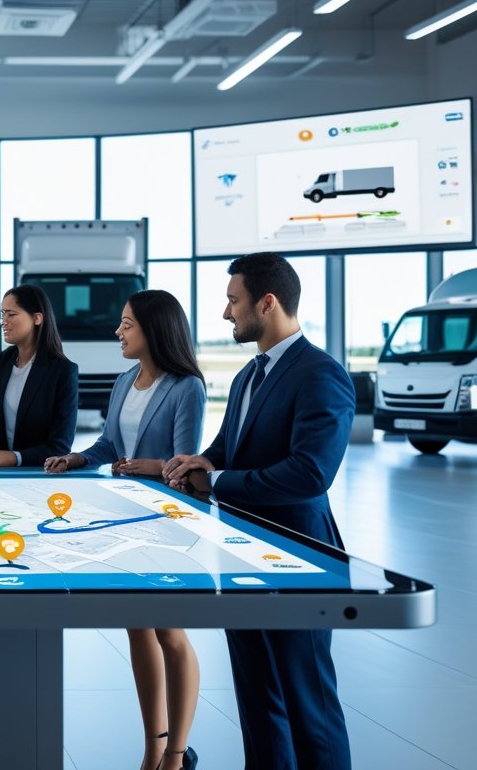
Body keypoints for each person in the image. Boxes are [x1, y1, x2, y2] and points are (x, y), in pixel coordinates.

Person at [164, 253, 354, 770]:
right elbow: (231, 446)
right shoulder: (252, 373)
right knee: (257, 699)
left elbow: (310, 474)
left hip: (299, 555)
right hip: (242, 554)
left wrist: (217, 480)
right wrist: (200, 461)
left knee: (307, 701)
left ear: (267, 304)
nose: (227, 314)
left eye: (233, 301)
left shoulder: (322, 374)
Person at [47, 289, 206, 770]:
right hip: (124, 515)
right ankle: (152, 746)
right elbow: (109, 444)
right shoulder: (122, 382)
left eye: (127, 324)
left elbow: (184, 462)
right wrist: (76, 458)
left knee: (170, 631)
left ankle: (177, 754)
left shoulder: (186, 388)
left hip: (167, 520)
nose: (118, 331)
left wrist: (147, 467)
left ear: (154, 330)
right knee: (137, 625)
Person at [0, 284, 78, 466]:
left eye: (11, 314)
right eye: (2, 314)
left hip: (41, 476)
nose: (3, 321)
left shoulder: (62, 371)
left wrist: (4, 458)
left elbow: (59, 447)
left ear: (37, 318)